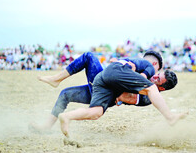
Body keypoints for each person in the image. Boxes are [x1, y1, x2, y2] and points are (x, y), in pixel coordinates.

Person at [30, 51, 168, 132]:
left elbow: (126, 97)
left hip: (104, 93)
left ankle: (56, 79)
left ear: (154, 65)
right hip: (99, 85)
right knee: (65, 94)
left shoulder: (146, 85)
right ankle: (47, 126)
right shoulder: (138, 70)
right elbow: (116, 62)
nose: (154, 75)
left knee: (88, 56)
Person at [58, 55, 187, 137]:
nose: (154, 76)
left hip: (105, 88)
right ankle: (169, 117)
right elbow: (129, 66)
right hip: (108, 80)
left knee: (95, 112)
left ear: (163, 88)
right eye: (158, 74)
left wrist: (125, 68)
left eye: (158, 79)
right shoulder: (148, 82)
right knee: (89, 57)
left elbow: (124, 97)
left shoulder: (148, 96)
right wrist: (122, 65)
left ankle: (67, 116)